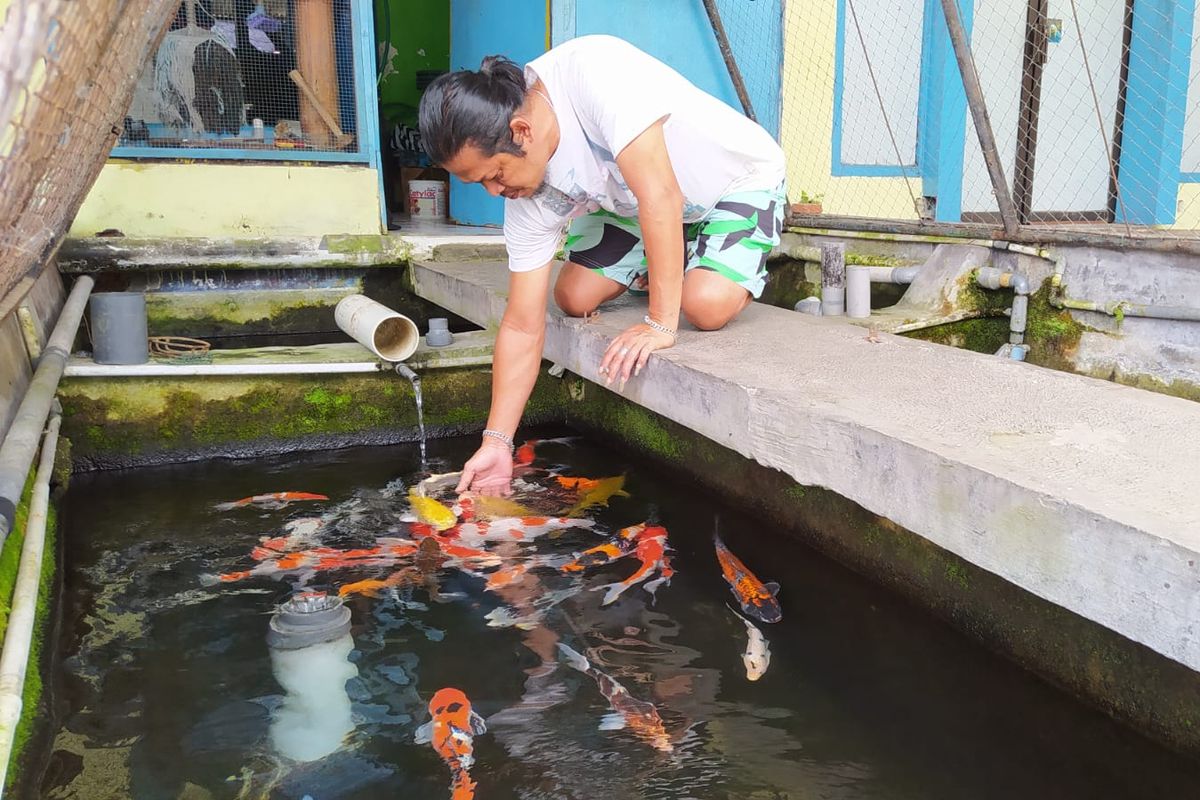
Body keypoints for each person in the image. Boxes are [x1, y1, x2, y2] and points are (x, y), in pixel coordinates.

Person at [418, 34, 786, 495]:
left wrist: (660, 322)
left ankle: (690, 257)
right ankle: (674, 251)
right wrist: (497, 441)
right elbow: (522, 325)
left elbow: (662, 194)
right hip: (631, 202)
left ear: (521, 131)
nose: (495, 193)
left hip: (729, 182)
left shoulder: (594, 71)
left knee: (704, 306)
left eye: (494, 175)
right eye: (481, 184)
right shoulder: (526, 193)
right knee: (572, 297)